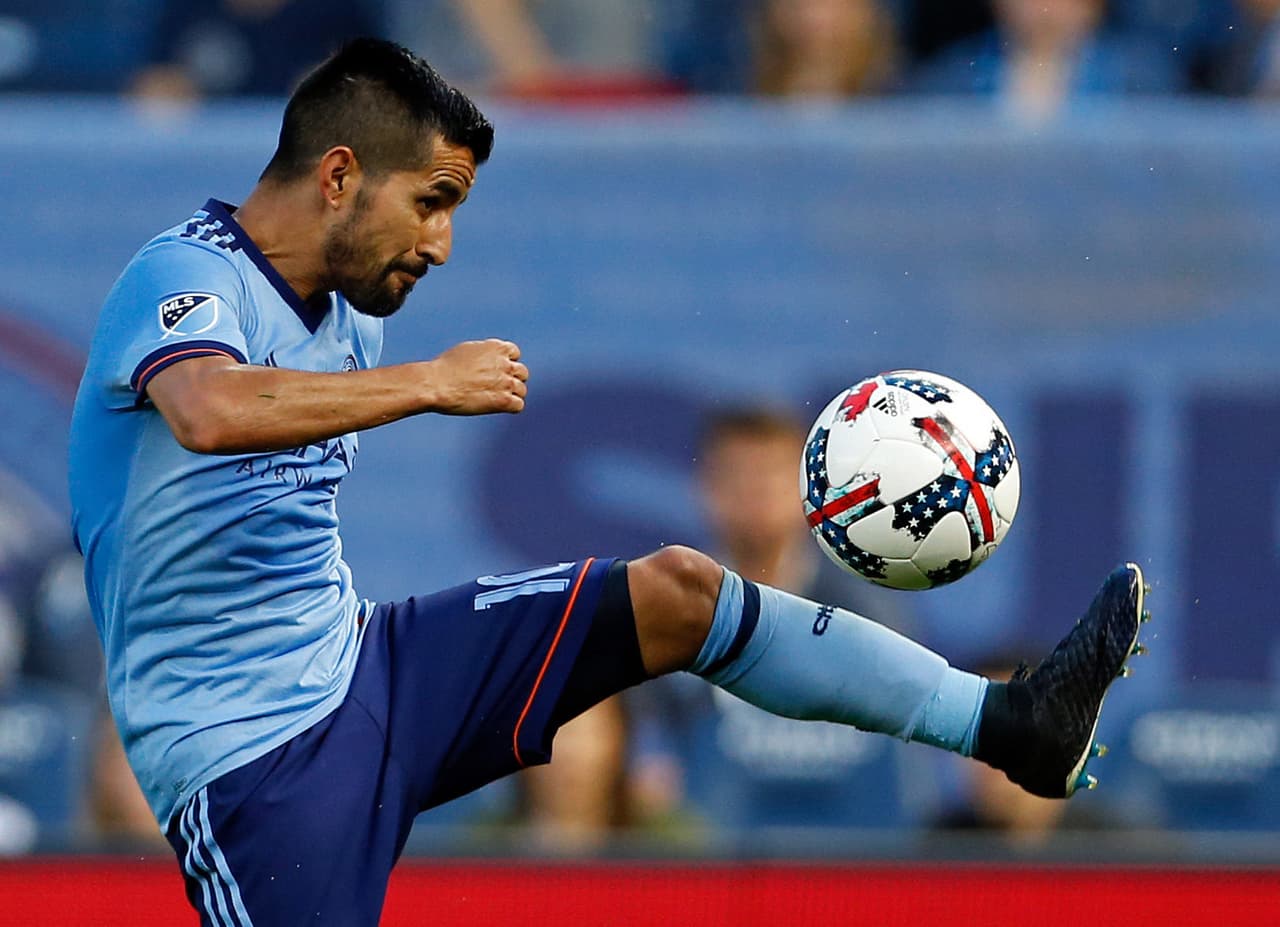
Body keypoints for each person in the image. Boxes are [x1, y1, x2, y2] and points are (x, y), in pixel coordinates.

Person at [69, 37, 1149, 925]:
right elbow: (210, 412)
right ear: (340, 174)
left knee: (677, 592)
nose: (441, 245)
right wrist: (426, 384)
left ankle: (1010, 727)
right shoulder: (184, 275)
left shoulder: (342, 307)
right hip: (252, 762)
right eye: (432, 201)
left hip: (369, 667)